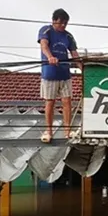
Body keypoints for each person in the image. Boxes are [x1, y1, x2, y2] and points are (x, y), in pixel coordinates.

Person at [38, 8, 79, 143]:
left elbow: (74, 54)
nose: (63, 25)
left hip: (65, 73)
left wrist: (82, 68)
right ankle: (48, 131)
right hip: (50, 73)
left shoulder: (68, 36)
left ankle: (67, 131)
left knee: (67, 102)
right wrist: (50, 57)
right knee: (50, 102)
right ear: (54, 20)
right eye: (60, 22)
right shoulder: (46, 30)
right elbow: (44, 46)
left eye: (65, 23)